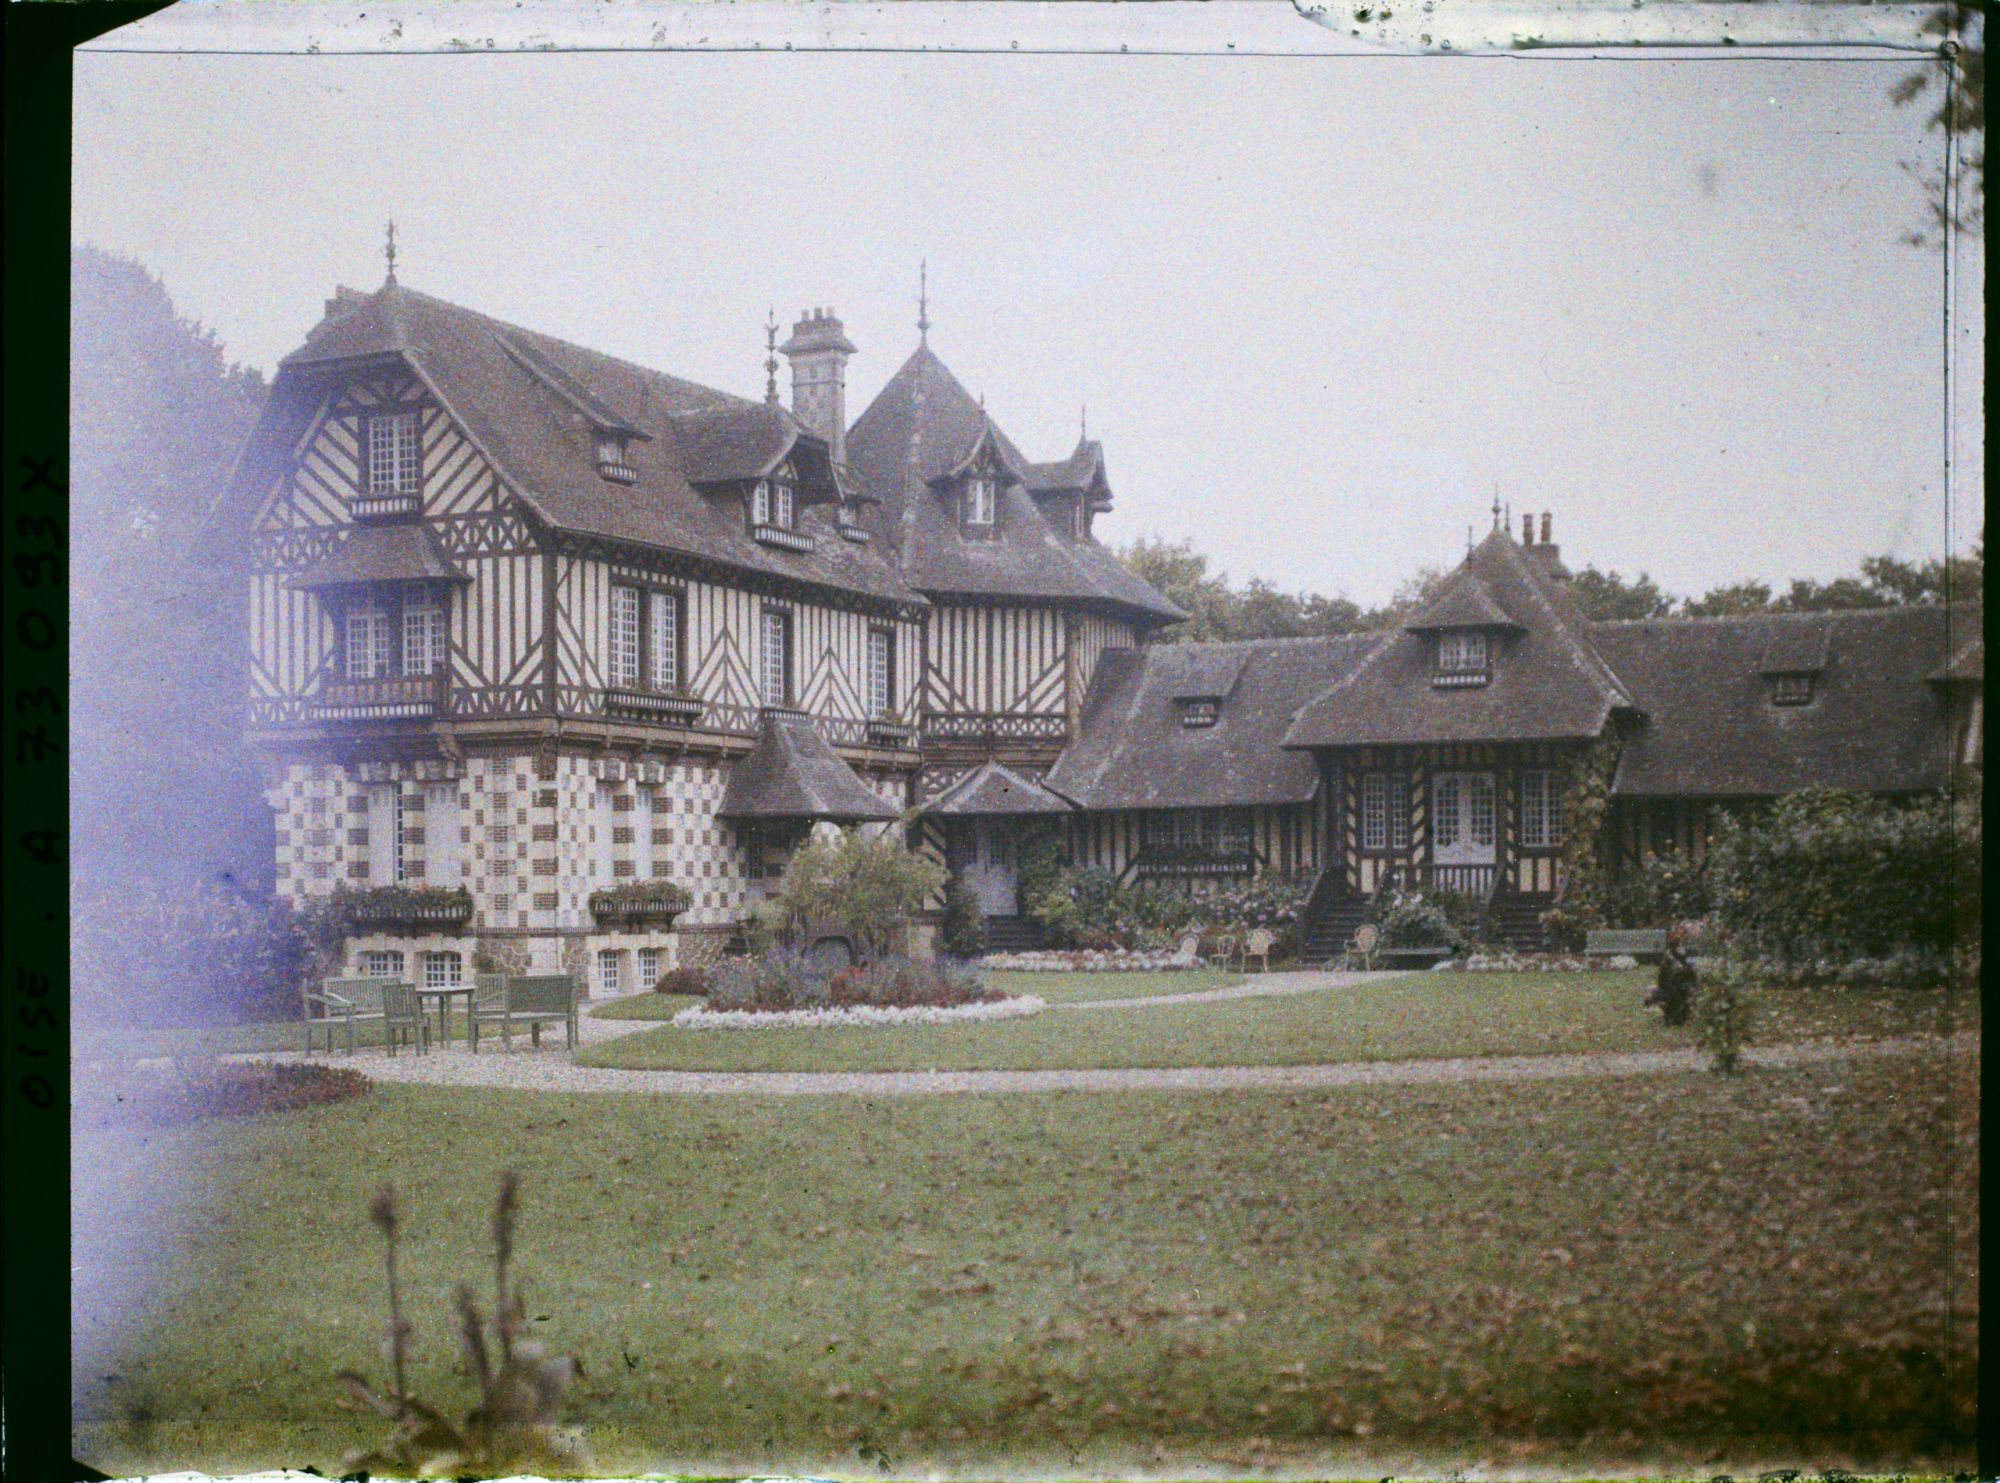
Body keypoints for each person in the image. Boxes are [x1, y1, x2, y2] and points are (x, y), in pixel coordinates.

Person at [1644, 921, 1697, 1026]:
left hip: (1674, 991)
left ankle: (1673, 1014)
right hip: (1675, 991)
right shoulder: (1673, 962)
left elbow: (1663, 982)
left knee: (1656, 993)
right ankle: (1675, 1014)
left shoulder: (1671, 962)